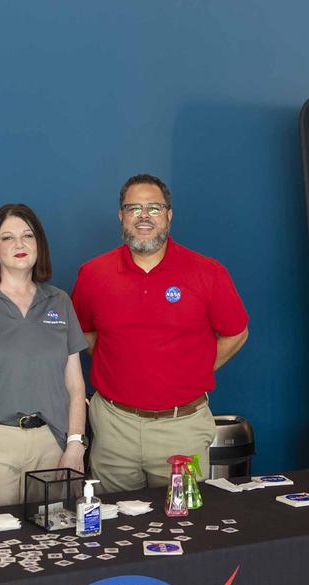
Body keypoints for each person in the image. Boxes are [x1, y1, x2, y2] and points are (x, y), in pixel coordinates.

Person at [71, 174, 249, 494]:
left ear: (169, 215)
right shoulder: (93, 274)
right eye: (133, 208)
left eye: (154, 208)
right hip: (114, 427)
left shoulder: (207, 272)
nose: (143, 217)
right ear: (120, 216)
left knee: (185, 529)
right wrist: (120, 367)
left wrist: (193, 371)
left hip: (182, 429)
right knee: (113, 530)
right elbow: (83, 331)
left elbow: (236, 333)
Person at [0, 204, 87, 509]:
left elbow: (75, 385)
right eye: (7, 238)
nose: (19, 244)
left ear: (39, 245)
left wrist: (75, 445)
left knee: (52, 544)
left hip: (52, 442)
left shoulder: (59, 301)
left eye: (27, 236)